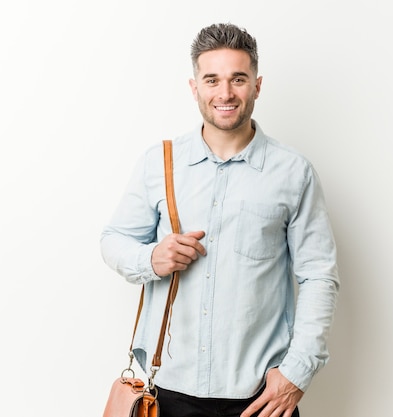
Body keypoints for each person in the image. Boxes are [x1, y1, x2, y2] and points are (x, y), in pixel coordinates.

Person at [100, 23, 340, 417]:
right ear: (195, 88)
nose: (225, 93)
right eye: (212, 79)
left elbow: (318, 276)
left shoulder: (293, 173)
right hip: (167, 393)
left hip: (260, 398)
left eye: (238, 79)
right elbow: (113, 240)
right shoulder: (159, 164)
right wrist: (152, 259)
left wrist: (297, 372)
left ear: (257, 86)